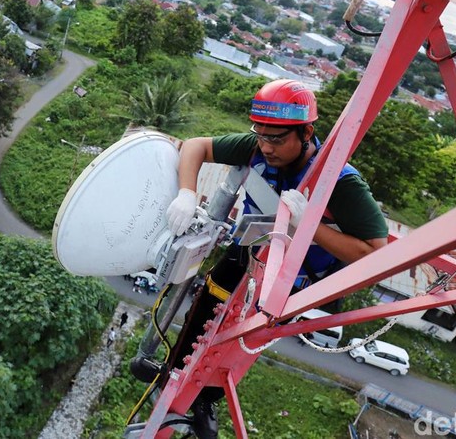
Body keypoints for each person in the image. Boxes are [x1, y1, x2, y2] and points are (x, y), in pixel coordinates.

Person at [162, 79, 388, 439]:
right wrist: (188, 192)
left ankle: (206, 400)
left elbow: (376, 254)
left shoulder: (341, 182)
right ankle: (172, 372)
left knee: (243, 339)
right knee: (206, 308)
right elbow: (195, 147)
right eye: (261, 136)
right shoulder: (257, 147)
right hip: (247, 254)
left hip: (293, 278)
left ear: (306, 133)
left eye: (277, 139)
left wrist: (309, 225)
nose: (266, 147)